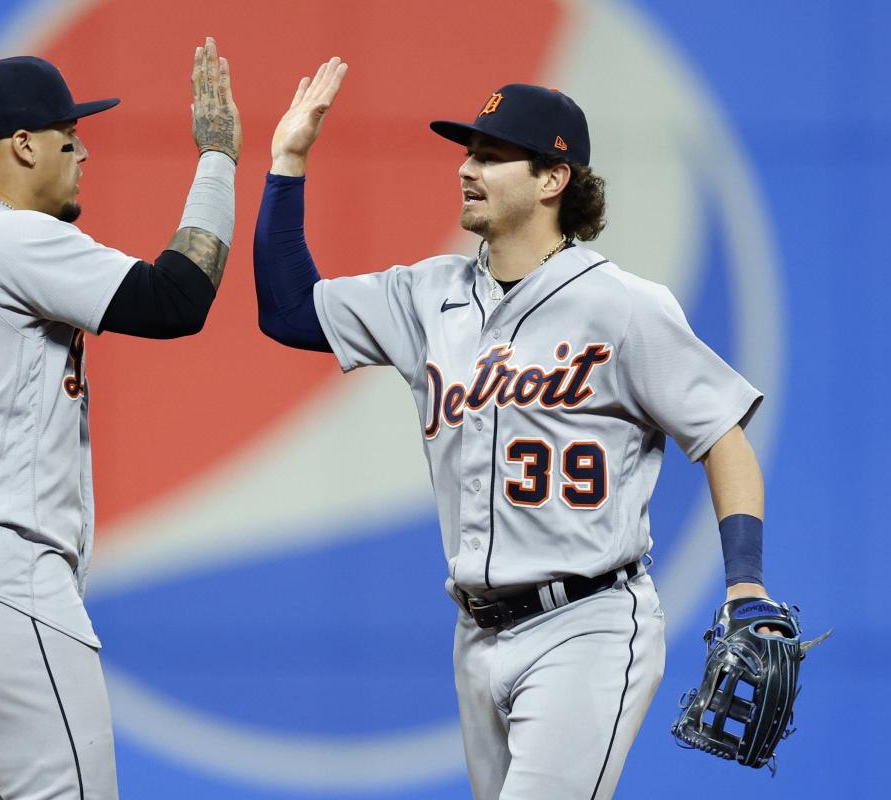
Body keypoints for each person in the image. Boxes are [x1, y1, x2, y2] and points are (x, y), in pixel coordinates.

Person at [254, 59, 774, 799]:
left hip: (588, 624)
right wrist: (288, 162)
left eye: (492, 156)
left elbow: (723, 436)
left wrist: (745, 582)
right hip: (476, 633)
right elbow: (287, 310)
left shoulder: (623, 305)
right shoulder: (427, 295)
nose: (467, 168)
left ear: (552, 178)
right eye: (469, 153)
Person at [0, 40, 239, 799]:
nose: (84, 153)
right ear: (24, 145)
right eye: (71, 136)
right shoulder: (8, 236)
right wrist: (219, 160)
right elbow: (177, 299)